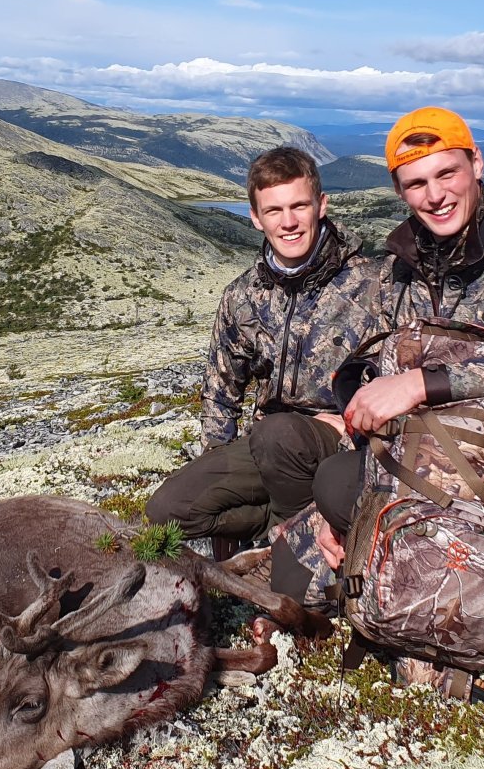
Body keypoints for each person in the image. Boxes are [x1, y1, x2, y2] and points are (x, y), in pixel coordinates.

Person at [276, 105, 484, 692]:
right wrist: (364, 399)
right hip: (405, 453)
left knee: (338, 490)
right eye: (416, 184)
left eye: (447, 174)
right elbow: (361, 362)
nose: (435, 195)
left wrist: (424, 384)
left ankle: (421, 623)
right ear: (400, 191)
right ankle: (376, 569)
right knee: (292, 582)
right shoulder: (402, 265)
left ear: (476, 163)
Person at [145, 147, 388, 557]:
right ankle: (280, 525)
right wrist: (217, 464)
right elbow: (221, 392)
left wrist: (355, 424)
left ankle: (294, 544)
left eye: (299, 206)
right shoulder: (242, 296)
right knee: (166, 511)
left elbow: (399, 378)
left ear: (321, 206)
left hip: (346, 447)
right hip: (269, 447)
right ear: (256, 217)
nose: (288, 222)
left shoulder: (375, 285)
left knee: (280, 432)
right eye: (274, 211)